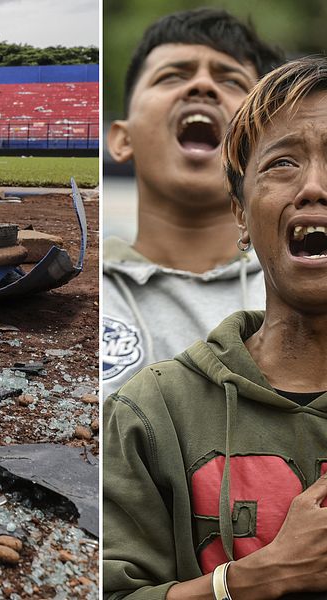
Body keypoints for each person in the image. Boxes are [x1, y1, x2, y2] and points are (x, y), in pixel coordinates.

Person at [104, 55, 327, 599]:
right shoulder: (151, 412)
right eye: (282, 164)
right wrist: (254, 579)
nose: (314, 187)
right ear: (241, 213)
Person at [102, 8, 284, 395]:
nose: (202, 86)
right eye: (172, 76)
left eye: (231, 80)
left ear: (266, 144)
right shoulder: (91, 289)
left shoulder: (306, 290)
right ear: (122, 138)